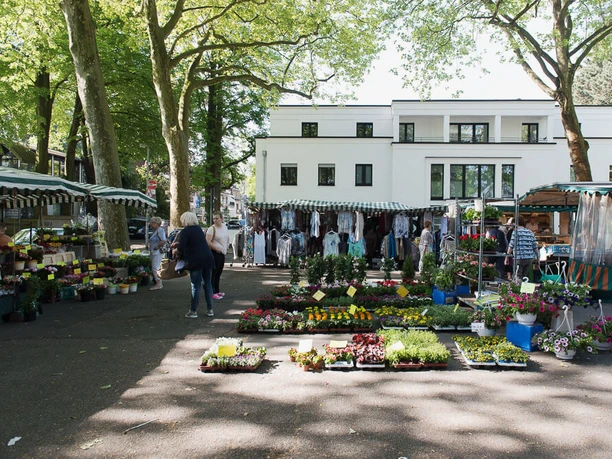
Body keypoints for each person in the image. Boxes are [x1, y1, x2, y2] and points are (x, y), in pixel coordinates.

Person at [175, 211, 214, 318]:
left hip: (195, 260)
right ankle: (210, 309)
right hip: (207, 258)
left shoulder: (185, 231)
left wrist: (176, 248)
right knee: (208, 283)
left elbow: (181, 247)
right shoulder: (199, 229)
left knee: (195, 285)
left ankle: (193, 311)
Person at [206, 212, 230, 300]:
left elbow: (226, 237)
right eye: (214, 219)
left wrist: (226, 245)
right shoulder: (211, 229)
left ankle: (217, 290)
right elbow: (207, 241)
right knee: (214, 273)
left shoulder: (224, 227)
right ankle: (212, 292)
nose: (215, 220)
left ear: (221, 218)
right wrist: (216, 248)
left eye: (217, 218)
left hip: (222, 252)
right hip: (215, 253)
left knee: (219, 272)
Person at [507, 216, 538, 281]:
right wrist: (538, 258)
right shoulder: (530, 232)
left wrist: (507, 257)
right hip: (529, 258)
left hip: (519, 257)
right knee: (524, 277)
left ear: (515, 223)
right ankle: (523, 290)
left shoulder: (515, 232)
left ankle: (517, 290)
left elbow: (511, 245)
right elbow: (535, 247)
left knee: (517, 277)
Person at [148, 216, 167, 290]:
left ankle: (158, 283)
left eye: (153, 223)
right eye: (151, 222)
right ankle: (158, 282)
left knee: (155, 267)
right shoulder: (155, 230)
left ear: (157, 223)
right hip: (155, 251)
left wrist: (156, 247)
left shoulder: (160, 230)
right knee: (156, 267)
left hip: (157, 251)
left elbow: (163, 240)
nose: (151, 224)